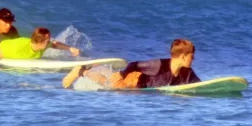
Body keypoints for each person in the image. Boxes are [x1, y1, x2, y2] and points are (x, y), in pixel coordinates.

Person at [62, 38, 200, 90]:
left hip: (141, 90)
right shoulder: (157, 65)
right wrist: (122, 74)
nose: (193, 59)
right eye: (191, 56)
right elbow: (135, 64)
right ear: (182, 56)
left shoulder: (187, 73)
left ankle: (85, 71)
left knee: (109, 84)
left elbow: (201, 85)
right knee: (108, 84)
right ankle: (82, 72)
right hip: (134, 81)